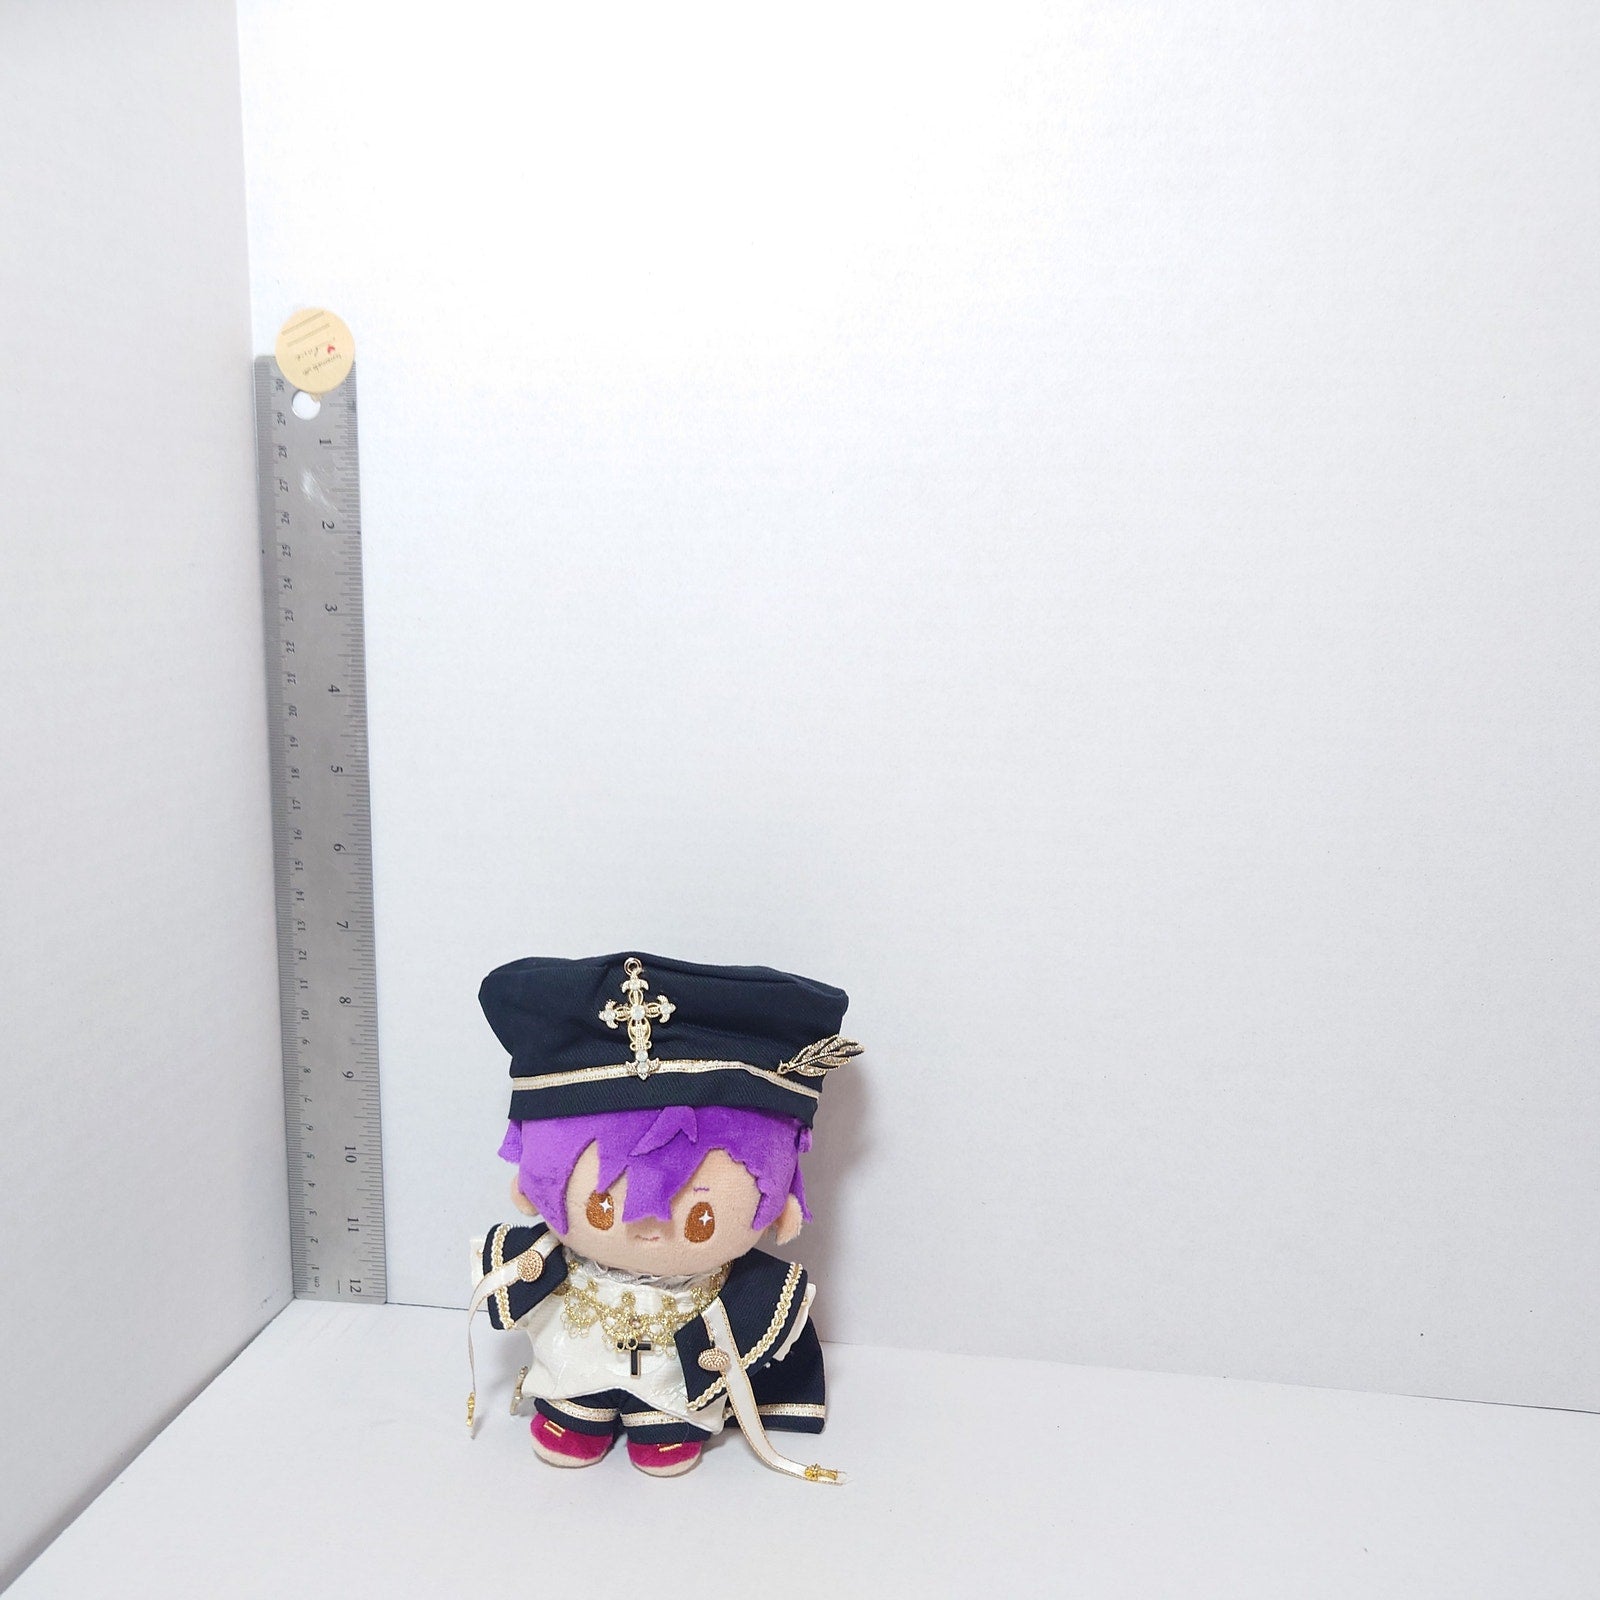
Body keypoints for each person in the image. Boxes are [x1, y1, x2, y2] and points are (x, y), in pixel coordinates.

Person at [467, 952, 859, 1482]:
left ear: (782, 1202)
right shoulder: (542, 1260)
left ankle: (665, 1421)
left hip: (679, 1384)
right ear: (530, 1186)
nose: (651, 1229)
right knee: (571, 1399)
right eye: (602, 1207)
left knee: (671, 1415)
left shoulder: (740, 1287)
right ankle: (577, 1411)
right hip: (573, 1367)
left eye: (701, 1218)